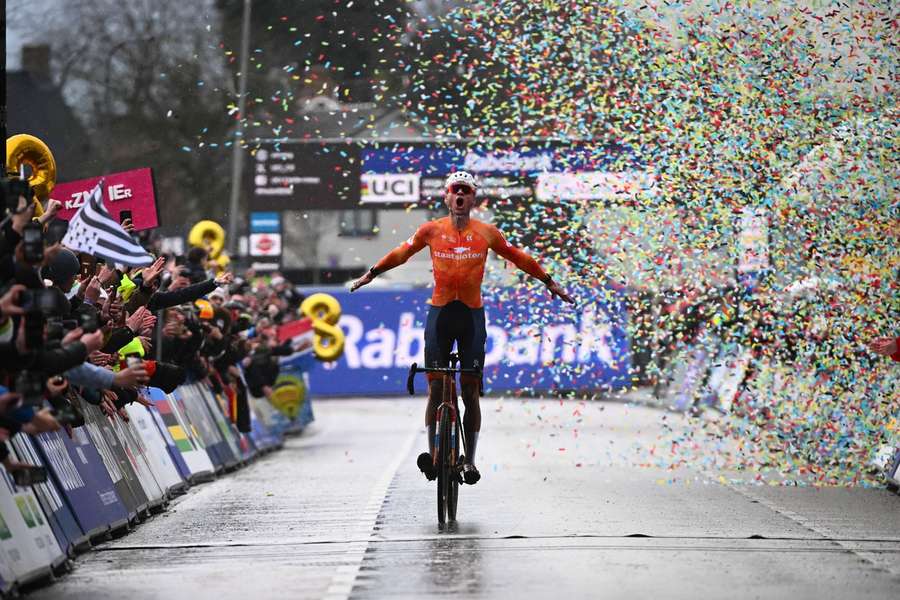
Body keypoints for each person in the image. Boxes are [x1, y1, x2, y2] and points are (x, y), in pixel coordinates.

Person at [351, 171, 574, 484]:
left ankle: (469, 460)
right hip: (440, 314)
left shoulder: (486, 232)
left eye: (465, 192)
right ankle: (434, 457)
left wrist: (549, 283)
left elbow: (518, 257)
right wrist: (371, 274)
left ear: (472, 199)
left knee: (469, 390)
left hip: (471, 316)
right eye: (454, 192)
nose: (459, 197)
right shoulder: (430, 230)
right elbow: (401, 254)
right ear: (446, 197)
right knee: (437, 387)